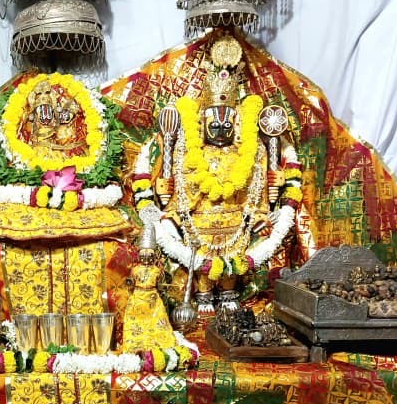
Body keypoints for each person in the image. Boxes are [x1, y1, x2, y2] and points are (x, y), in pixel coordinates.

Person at [142, 35, 301, 314]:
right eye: (213, 123)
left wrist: (262, 212)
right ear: (202, 125)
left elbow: (255, 189)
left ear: (236, 124)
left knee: (232, 260)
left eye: (226, 123)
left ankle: (228, 292)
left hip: (236, 222)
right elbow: (183, 193)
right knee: (202, 261)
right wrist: (171, 210)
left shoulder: (251, 151)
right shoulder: (188, 151)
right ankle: (203, 294)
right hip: (198, 224)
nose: (219, 128)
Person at [122, 224, 181, 354]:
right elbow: (131, 282)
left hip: (153, 299)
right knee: (136, 322)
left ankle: (159, 341)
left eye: (149, 255)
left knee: (156, 320)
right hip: (137, 298)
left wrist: (165, 287)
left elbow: (160, 284)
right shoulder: (135, 269)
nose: (146, 259)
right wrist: (129, 283)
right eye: (143, 255)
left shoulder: (156, 270)